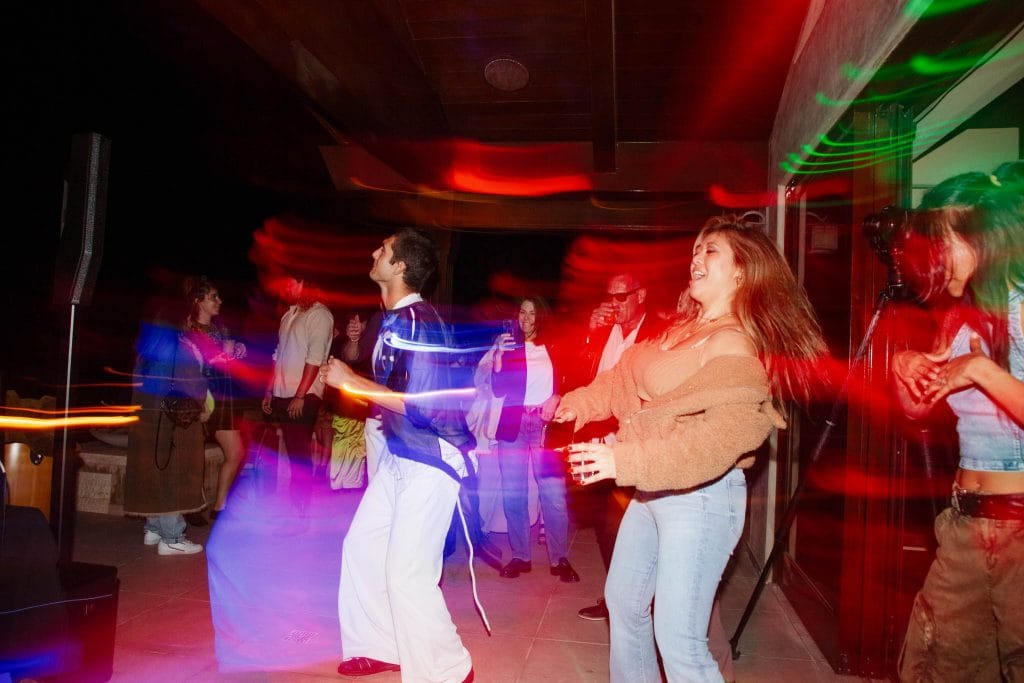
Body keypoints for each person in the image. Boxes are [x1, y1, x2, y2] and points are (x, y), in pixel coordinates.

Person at [554, 216, 826, 682]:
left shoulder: (734, 341)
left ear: (741, 271)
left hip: (702, 497)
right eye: (696, 248)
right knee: (624, 603)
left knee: (679, 640)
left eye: (711, 250)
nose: (696, 257)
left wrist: (623, 459)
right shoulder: (682, 329)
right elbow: (624, 378)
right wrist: (577, 403)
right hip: (654, 492)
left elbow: (722, 438)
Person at [321, 227, 477, 683]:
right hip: (401, 455)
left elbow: (423, 405)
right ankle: (381, 646)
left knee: (408, 573)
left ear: (400, 266)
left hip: (432, 458)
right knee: (362, 546)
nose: (375, 251)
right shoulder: (393, 320)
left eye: (384, 250)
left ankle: (450, 670)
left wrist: (351, 382)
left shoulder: (418, 323)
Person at [891, 166, 1024, 682]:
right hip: (965, 526)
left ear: (982, 237)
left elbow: (982, 378)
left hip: (1019, 531)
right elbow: (917, 410)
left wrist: (983, 370)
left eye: (940, 244)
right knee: (937, 664)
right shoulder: (961, 318)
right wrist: (906, 366)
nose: (932, 261)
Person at [566, 272, 667, 620]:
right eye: (609, 296)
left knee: (634, 526)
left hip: (638, 445)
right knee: (605, 528)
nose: (613, 304)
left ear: (642, 295)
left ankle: (643, 603)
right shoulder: (603, 332)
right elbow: (577, 377)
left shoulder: (660, 332)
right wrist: (589, 336)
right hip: (598, 442)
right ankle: (619, 601)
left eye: (621, 296)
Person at [483, 296, 579, 582]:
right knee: (514, 493)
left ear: (541, 317)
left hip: (546, 425)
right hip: (513, 424)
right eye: (522, 312)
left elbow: (573, 378)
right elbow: (499, 390)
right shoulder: (510, 347)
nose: (525, 318)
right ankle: (521, 556)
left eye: (532, 313)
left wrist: (558, 396)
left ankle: (560, 558)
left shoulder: (555, 346)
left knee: (554, 496)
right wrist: (499, 357)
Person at [123, 299, 210, 555]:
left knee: (152, 473)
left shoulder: (146, 350)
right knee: (173, 474)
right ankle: (172, 537)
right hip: (172, 424)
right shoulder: (179, 348)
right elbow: (193, 383)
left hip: (147, 423)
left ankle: (153, 528)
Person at [261, 273, 334, 518]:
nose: (287, 288)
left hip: (304, 394)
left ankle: (300, 510)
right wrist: (270, 390)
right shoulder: (289, 314)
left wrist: (300, 395)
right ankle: (296, 507)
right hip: (283, 393)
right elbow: (278, 355)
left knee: (299, 454)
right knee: (293, 451)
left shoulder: (319, 315)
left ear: (307, 284)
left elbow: (314, 359)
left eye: (292, 284)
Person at [182, 276, 248, 519]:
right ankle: (190, 507)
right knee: (193, 455)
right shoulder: (189, 329)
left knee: (236, 452)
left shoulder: (219, 329)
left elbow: (222, 359)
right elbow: (194, 366)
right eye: (213, 297)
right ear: (199, 301)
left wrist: (237, 350)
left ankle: (220, 507)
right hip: (201, 397)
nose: (219, 301)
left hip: (223, 397)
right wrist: (222, 356)